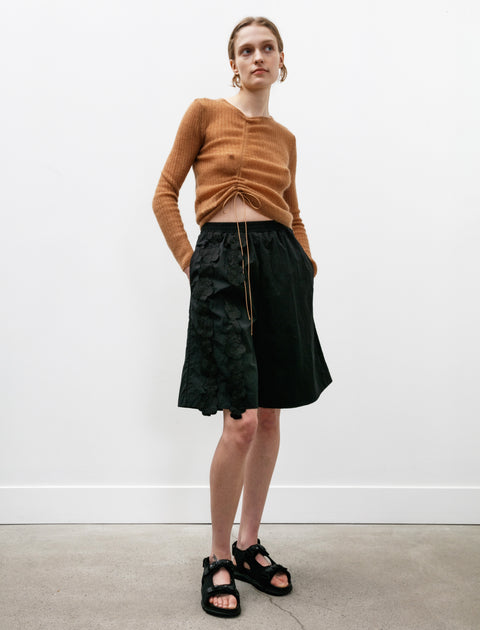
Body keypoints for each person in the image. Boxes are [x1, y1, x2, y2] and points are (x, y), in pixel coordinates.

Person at [152, 16, 333, 618]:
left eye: (268, 48)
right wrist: (193, 263)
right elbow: (163, 193)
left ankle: (249, 544)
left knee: (271, 413)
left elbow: (293, 213)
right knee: (241, 421)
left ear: (282, 61)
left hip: (281, 271)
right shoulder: (204, 113)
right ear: (233, 63)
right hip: (220, 265)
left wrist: (305, 266)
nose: (258, 57)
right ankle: (217, 556)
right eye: (247, 50)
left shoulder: (285, 139)